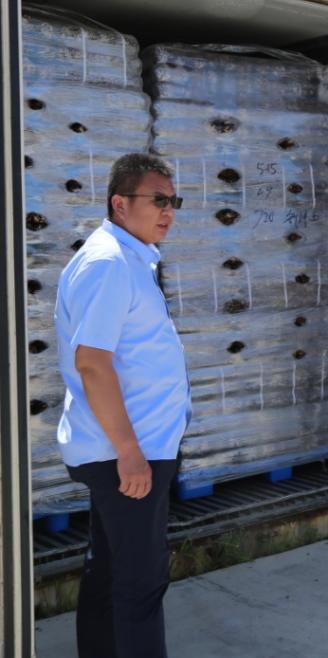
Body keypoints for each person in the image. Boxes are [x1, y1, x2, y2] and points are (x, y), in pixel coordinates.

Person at [56, 153, 190, 658]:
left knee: (110, 578)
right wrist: (130, 451)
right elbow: (92, 363)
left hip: (127, 450)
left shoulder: (128, 259)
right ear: (119, 203)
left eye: (173, 201)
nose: (168, 211)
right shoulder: (109, 263)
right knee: (140, 587)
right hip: (126, 455)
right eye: (158, 199)